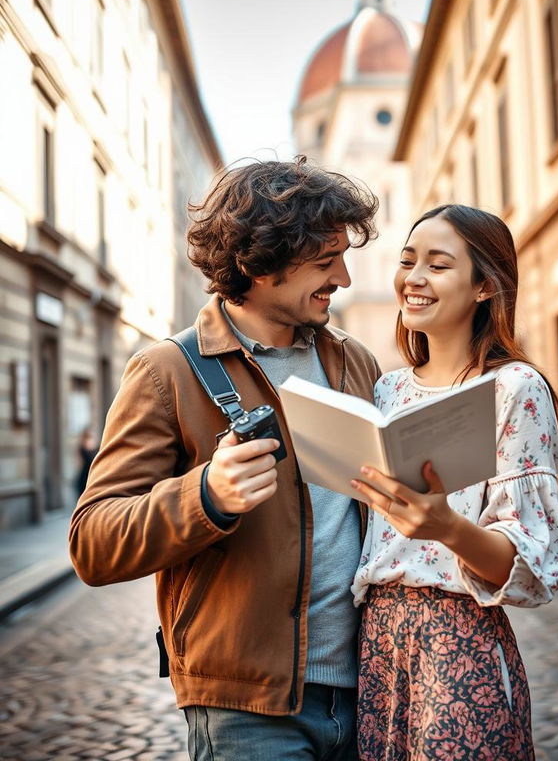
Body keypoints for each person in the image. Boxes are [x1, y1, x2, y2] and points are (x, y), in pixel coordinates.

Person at [69, 157, 380, 761]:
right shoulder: (167, 370)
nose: (343, 278)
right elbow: (92, 542)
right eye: (325, 262)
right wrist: (204, 495)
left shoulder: (355, 361)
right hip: (246, 709)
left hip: (373, 686)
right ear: (261, 265)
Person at [350, 204, 558, 761]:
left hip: (461, 642)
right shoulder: (384, 392)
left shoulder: (514, 388)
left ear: (483, 287)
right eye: (407, 261)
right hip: (375, 641)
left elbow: (532, 567)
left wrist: (446, 526)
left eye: (438, 264)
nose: (414, 278)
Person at [75, 425, 98, 497]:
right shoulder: (82, 448)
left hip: (93, 477)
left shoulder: (96, 447)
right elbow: (80, 463)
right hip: (84, 477)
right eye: (89, 436)